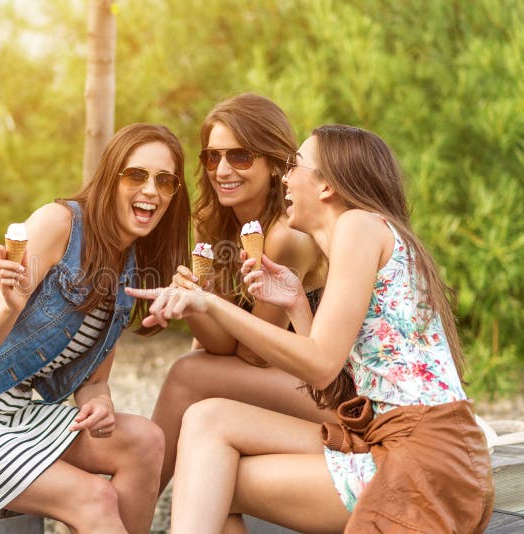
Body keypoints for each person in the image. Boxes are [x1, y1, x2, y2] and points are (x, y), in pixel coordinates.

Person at [129, 125, 494, 533]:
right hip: (400, 443)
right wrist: (298, 305)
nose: (286, 178)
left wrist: (210, 303)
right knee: (206, 421)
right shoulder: (367, 234)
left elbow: (319, 366)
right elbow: (333, 383)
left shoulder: (358, 226)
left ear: (326, 186)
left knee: (212, 476)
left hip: (424, 462)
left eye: (295, 165)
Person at [0, 123, 191, 534]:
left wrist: (99, 403)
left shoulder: (130, 270)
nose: (151, 190)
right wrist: (9, 306)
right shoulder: (58, 222)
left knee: (147, 441)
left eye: (164, 180)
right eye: (136, 175)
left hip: (10, 415)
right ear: (110, 177)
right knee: (92, 497)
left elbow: (95, 382)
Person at [152, 93, 335, 494]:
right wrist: (193, 300)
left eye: (240, 157)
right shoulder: (213, 224)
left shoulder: (286, 236)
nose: (222, 170)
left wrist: (207, 303)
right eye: (211, 157)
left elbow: (252, 354)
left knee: (187, 374)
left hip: (331, 392)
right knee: (195, 379)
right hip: (274, 377)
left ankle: (132, 502)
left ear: (273, 165)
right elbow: (214, 347)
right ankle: (136, 500)